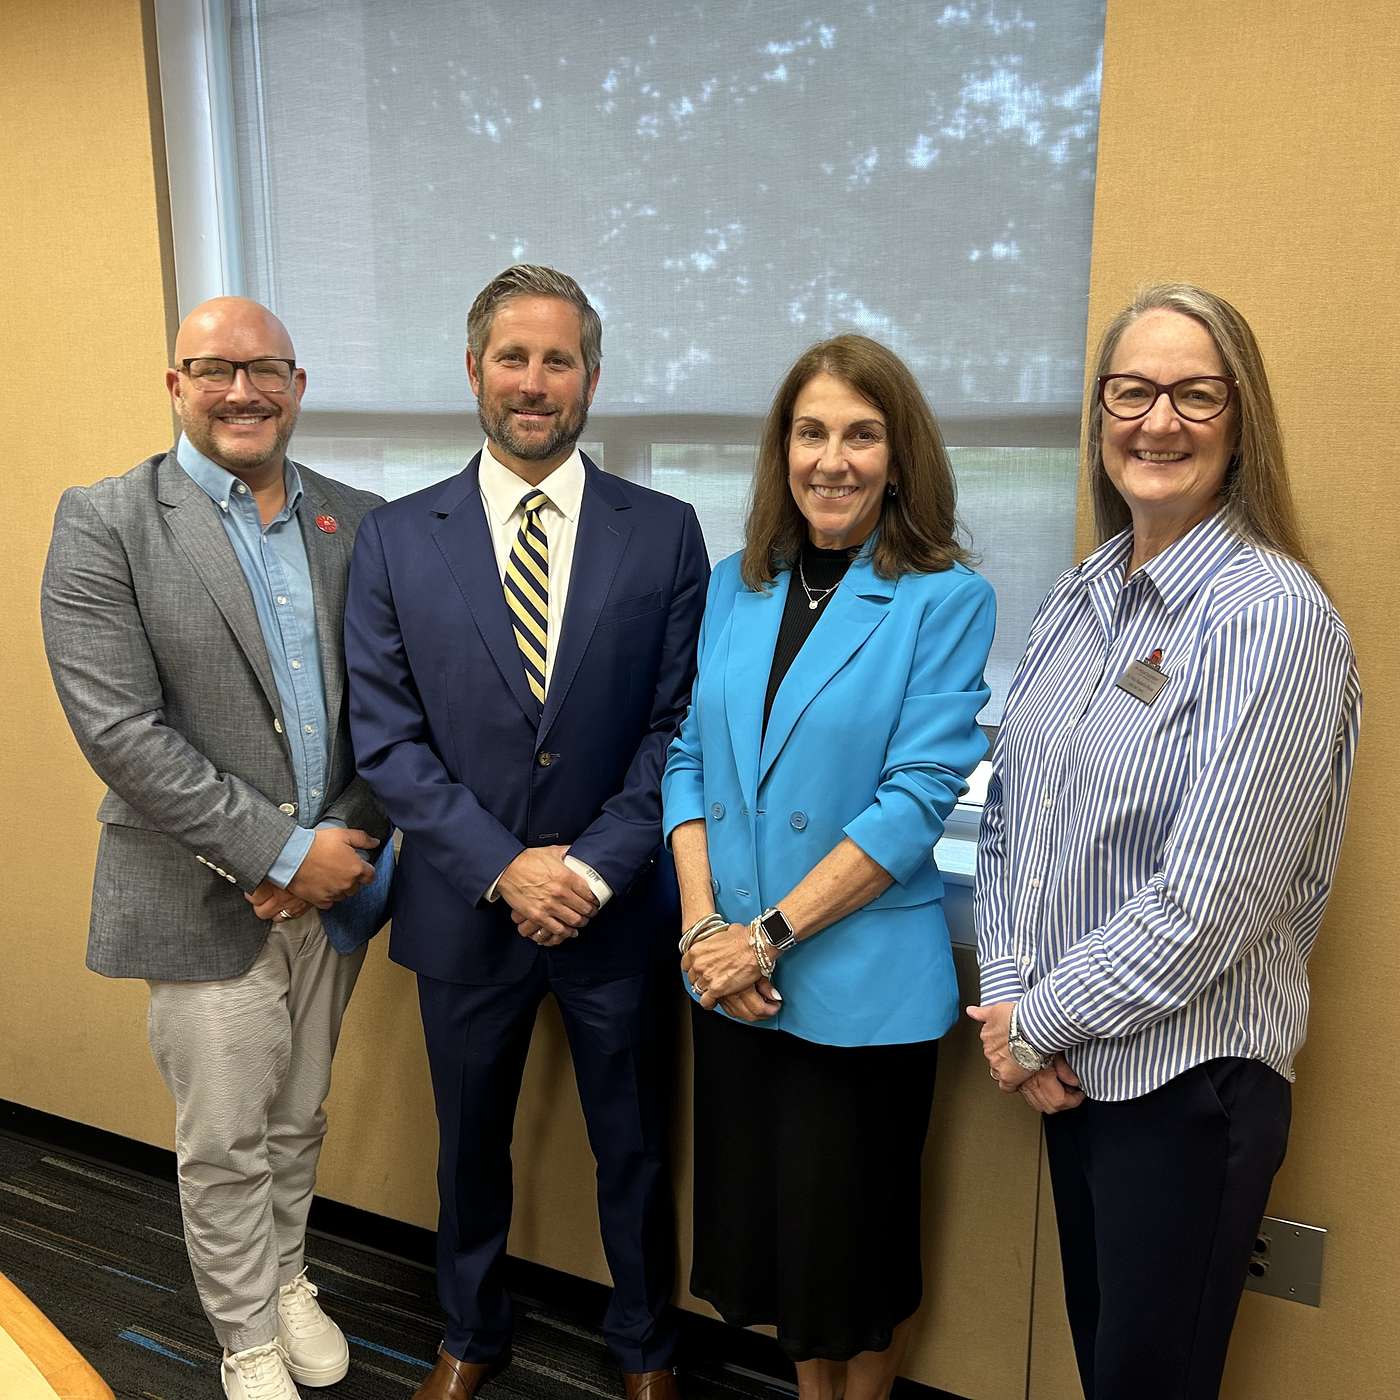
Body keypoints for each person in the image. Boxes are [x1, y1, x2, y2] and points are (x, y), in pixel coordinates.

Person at [969, 283, 1361, 1400]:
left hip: (1183, 1086)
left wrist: (1027, 1024)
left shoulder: (1267, 616)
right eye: (1131, 391)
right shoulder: (1081, 592)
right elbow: (1010, 819)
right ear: (1099, 415)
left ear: (1241, 422)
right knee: (1109, 1366)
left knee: (1149, 1382)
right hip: (1066, 1062)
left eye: (1194, 394)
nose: (1158, 422)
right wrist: (1009, 994)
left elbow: (1209, 903)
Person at [344, 264, 709, 1400]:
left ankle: (647, 1347)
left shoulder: (664, 532)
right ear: (473, 371)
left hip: (615, 909)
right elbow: (387, 740)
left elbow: (676, 725)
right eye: (513, 357)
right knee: (465, 1145)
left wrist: (590, 868)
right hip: (465, 904)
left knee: (637, 1148)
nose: (534, 381)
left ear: (592, 376)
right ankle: (469, 1329)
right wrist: (505, 866)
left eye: (558, 359)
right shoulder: (397, 538)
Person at [40, 297, 393, 1400]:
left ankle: (288, 1275)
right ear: (175, 382)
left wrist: (343, 839)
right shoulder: (105, 519)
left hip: (334, 883)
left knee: (299, 1115)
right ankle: (242, 1331)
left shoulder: (359, 520)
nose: (242, 391)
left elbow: (395, 705)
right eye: (214, 368)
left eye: (266, 370)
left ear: (297, 383)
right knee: (225, 1136)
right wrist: (281, 852)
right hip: (204, 895)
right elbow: (120, 731)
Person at [661, 334, 995, 1400]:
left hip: (856, 994)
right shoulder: (733, 585)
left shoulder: (943, 598)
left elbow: (913, 801)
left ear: (897, 457)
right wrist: (702, 927)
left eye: (860, 433)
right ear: (782, 448)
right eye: (811, 432)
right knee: (784, 1261)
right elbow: (686, 757)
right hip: (734, 987)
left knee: (854, 1261)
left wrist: (762, 936)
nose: (832, 458)